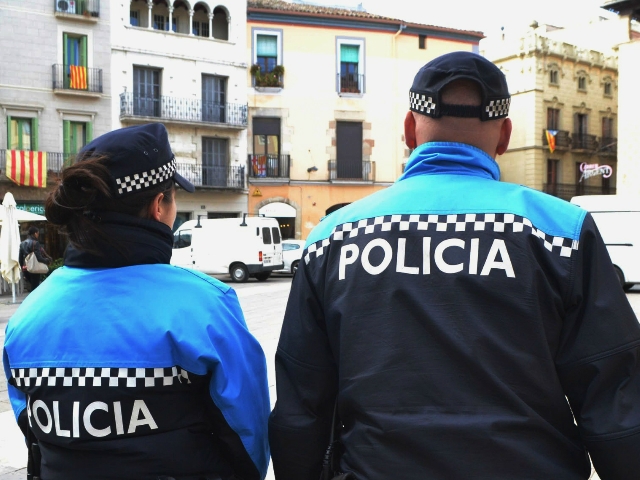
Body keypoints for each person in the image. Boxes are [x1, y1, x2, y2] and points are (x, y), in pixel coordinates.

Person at [268, 52, 640, 480]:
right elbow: (616, 403)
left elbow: (301, 409)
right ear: (504, 136)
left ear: (410, 129)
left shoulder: (332, 238)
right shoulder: (563, 232)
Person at [3, 123, 270, 480]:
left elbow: (32, 432)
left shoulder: (25, 319)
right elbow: (249, 439)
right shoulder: (206, 305)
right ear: (159, 205)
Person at [18, 226, 51, 291]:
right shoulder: (35, 243)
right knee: (35, 288)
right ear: (35, 233)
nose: (38, 235)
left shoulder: (22, 243)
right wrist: (47, 260)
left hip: (25, 268)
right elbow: (39, 258)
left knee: (31, 287)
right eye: (38, 233)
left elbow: (20, 258)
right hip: (34, 268)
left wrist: (22, 267)